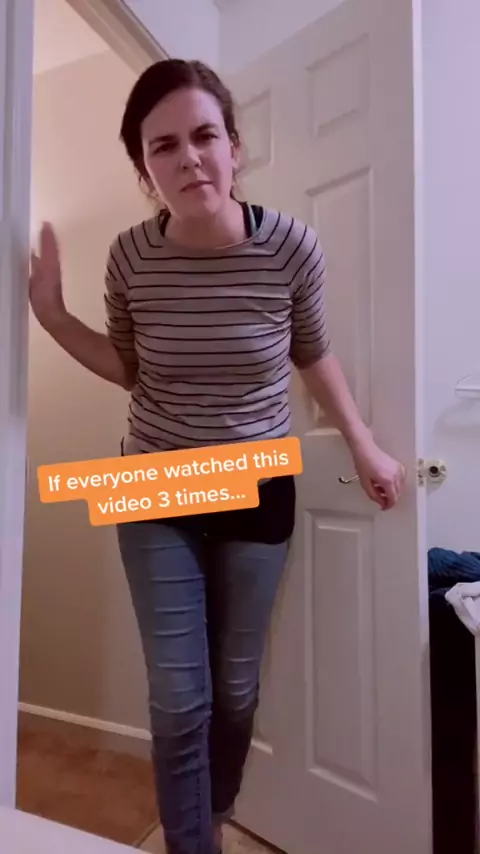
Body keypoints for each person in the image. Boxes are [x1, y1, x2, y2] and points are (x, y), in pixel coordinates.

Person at [29, 59, 406, 854]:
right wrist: (55, 317)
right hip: (155, 482)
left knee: (233, 689)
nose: (189, 158)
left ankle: (215, 810)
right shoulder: (132, 257)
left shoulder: (291, 247)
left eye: (204, 136)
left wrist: (364, 444)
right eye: (163, 146)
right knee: (178, 696)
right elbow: (129, 368)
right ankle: (192, 842)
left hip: (256, 483)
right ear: (145, 168)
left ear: (235, 146)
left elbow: (312, 352)